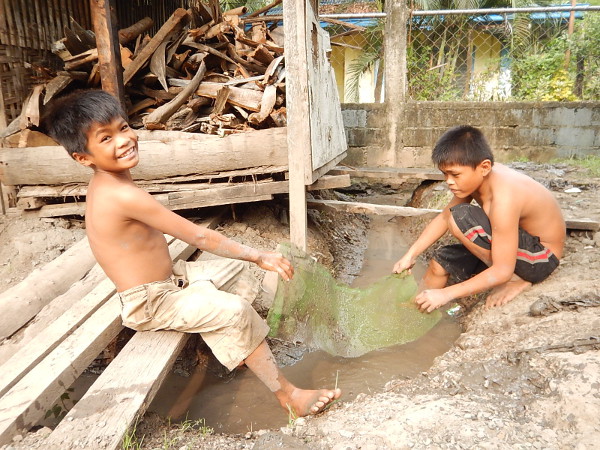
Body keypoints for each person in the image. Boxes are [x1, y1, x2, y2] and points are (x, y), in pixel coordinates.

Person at [43, 89, 340, 417]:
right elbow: (199, 236)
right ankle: (288, 395)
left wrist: (249, 260)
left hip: (169, 281)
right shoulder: (120, 195)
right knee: (235, 310)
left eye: (123, 127)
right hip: (151, 303)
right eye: (106, 138)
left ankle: (243, 349)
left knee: (235, 272)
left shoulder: (114, 185)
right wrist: (259, 255)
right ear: (83, 158)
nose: (124, 140)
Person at [393, 125, 565, 312]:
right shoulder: (475, 178)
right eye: (445, 174)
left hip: (540, 258)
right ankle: (413, 312)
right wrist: (410, 255)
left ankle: (515, 279)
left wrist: (446, 294)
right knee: (440, 263)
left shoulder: (504, 199)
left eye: (455, 174)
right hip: (513, 245)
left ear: (484, 167)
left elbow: (501, 269)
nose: (449, 181)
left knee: (460, 217)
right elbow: (443, 217)